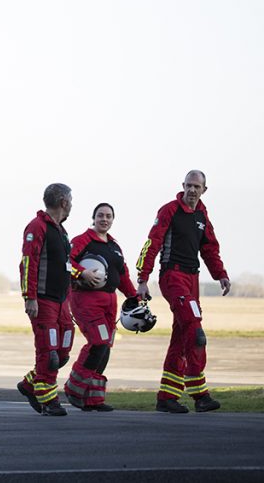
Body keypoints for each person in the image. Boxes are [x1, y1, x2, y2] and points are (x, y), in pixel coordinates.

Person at [136, 170, 231, 414]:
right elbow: (152, 243)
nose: (192, 190)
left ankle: (166, 397)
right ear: (183, 186)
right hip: (172, 276)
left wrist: (220, 274)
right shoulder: (169, 210)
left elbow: (210, 248)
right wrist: (143, 278)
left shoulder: (202, 215)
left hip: (193, 278)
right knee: (195, 330)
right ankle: (200, 394)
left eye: (196, 186)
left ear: (204, 190)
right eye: (188, 185)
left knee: (181, 336)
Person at [16, 183, 102, 416]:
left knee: (62, 352)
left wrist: (80, 274)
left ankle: (28, 384)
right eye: (71, 200)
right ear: (63, 202)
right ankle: (47, 398)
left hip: (62, 301)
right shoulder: (37, 227)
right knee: (49, 351)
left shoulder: (61, 232)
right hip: (43, 301)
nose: (72, 204)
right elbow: (28, 264)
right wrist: (29, 297)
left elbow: (65, 265)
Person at [63, 202, 139, 412]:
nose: (104, 219)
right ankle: (74, 388)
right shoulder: (81, 241)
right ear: (93, 218)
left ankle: (93, 399)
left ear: (113, 220)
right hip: (86, 300)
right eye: (100, 215)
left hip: (109, 301)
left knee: (106, 346)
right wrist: (81, 273)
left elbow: (122, 275)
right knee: (99, 341)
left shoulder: (115, 246)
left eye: (108, 216)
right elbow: (65, 261)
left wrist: (133, 296)